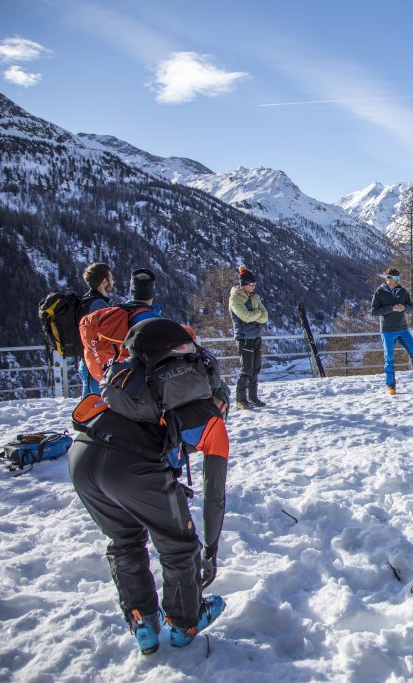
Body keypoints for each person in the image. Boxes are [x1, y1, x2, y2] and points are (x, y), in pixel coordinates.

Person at [68, 318, 230, 655]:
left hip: (83, 454)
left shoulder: (142, 390)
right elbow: (214, 494)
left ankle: (142, 621)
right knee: (179, 544)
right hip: (133, 466)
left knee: (125, 540)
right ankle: (186, 622)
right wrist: (210, 552)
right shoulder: (210, 417)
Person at [371, 267, 413, 395]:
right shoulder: (379, 292)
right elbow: (374, 311)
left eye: (398, 277)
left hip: (403, 329)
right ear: (388, 278)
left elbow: (411, 308)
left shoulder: (402, 291)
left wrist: (404, 307)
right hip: (387, 331)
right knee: (389, 358)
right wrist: (391, 308)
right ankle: (391, 385)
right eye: (395, 277)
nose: (398, 280)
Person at [229, 266, 269, 409]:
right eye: (251, 284)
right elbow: (245, 316)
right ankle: (241, 400)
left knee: (255, 369)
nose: (253, 287)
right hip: (244, 338)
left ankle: (253, 397)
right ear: (243, 284)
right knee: (246, 370)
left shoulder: (254, 296)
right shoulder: (235, 298)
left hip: (256, 337)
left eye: (254, 284)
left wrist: (255, 315)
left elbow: (265, 316)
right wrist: (257, 314)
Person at [78, 262, 115, 397]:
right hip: (96, 363)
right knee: (97, 402)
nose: (113, 281)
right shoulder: (99, 305)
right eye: (111, 278)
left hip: (86, 360)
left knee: (88, 401)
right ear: (104, 282)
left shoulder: (84, 301)